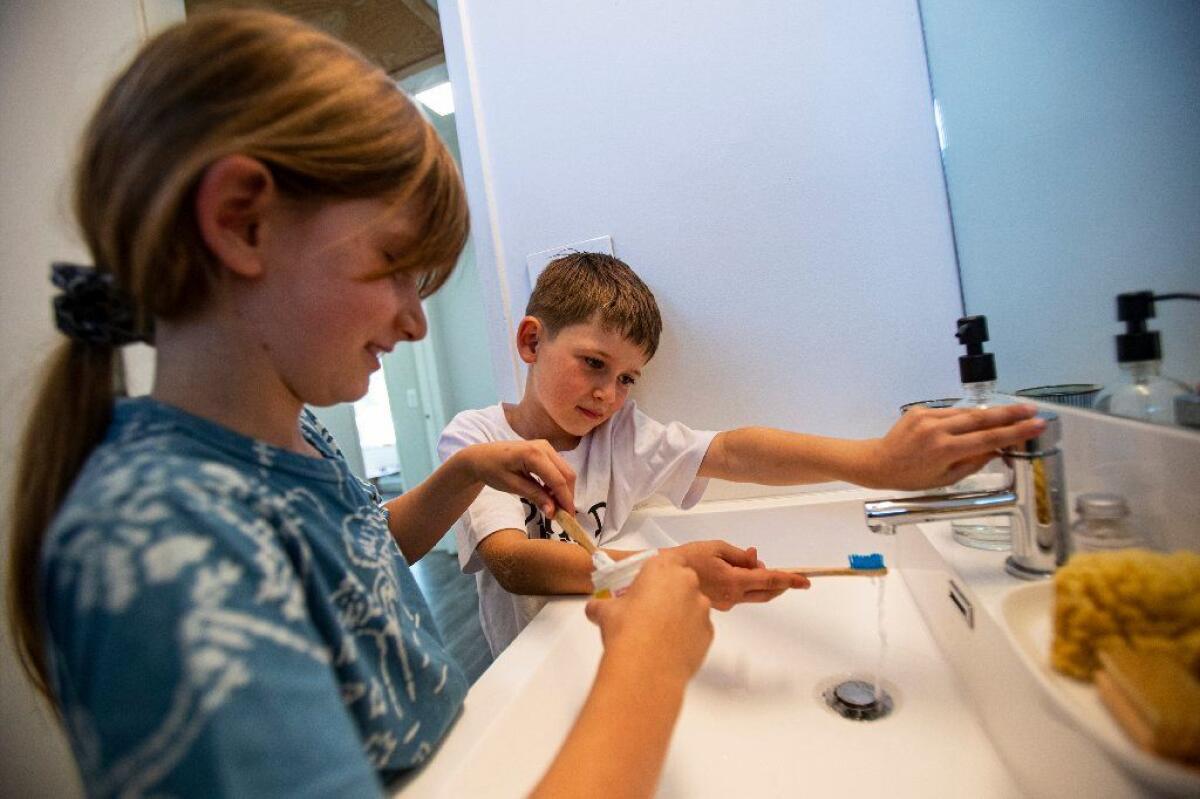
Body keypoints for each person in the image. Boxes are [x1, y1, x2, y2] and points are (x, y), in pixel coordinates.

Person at [6, 10, 711, 797]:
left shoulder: (293, 432)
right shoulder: (156, 552)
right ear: (243, 221)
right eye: (397, 266)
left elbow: (360, 561)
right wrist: (647, 666)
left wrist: (469, 471)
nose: (415, 321)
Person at [439, 252, 1048, 655]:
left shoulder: (622, 438)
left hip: (601, 643)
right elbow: (513, 563)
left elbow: (735, 451)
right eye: (594, 364)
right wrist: (668, 569)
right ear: (530, 340)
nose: (609, 393)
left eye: (628, 378)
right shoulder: (479, 439)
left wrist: (870, 463)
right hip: (529, 666)